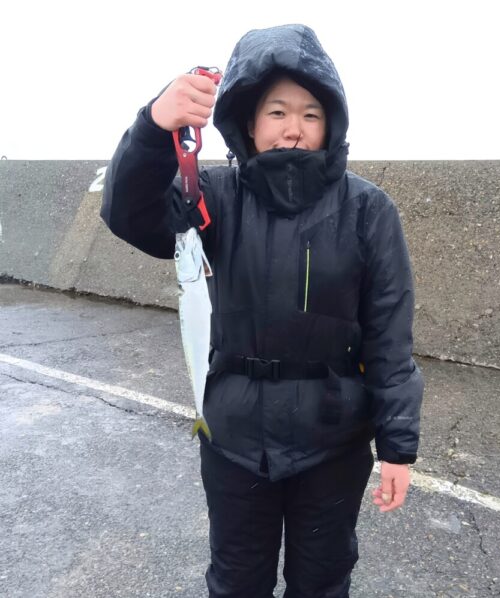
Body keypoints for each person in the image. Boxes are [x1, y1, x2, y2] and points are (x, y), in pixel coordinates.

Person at [101, 23, 424, 598]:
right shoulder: (211, 196)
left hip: (333, 443)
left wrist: (398, 446)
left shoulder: (368, 210)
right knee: (236, 582)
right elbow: (130, 214)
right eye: (277, 112)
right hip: (233, 440)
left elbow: (389, 334)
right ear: (248, 123)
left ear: (331, 125)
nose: (293, 128)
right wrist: (153, 126)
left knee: (322, 583)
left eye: (310, 114)